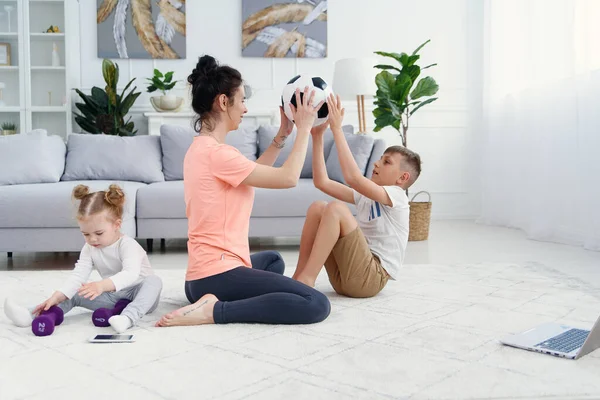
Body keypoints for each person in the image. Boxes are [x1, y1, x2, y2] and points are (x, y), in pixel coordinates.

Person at [156, 55, 330, 327]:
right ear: (224, 102)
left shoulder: (202, 149)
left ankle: (209, 299)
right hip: (217, 275)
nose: (245, 109)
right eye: (242, 100)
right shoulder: (218, 155)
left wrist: (284, 132)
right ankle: (215, 311)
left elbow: (253, 175)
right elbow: (288, 178)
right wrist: (304, 128)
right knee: (316, 304)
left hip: (200, 276)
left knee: (272, 261)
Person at [292, 94, 422, 298]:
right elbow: (322, 182)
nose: (377, 163)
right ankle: (299, 276)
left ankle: (307, 280)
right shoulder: (368, 196)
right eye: (380, 159)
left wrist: (336, 129)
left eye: (387, 162)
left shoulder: (397, 197)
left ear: (402, 178)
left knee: (336, 208)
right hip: (345, 278)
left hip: (371, 278)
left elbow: (352, 177)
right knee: (318, 207)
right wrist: (317, 137)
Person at [3, 184, 163, 335]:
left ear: (117, 225)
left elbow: (130, 274)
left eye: (99, 233)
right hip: (113, 297)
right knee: (76, 292)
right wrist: (58, 295)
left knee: (154, 281)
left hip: (141, 296)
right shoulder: (89, 248)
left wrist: (101, 285)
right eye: (86, 234)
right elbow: (78, 275)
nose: (92, 239)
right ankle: (31, 314)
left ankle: (127, 318)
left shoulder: (128, 245)